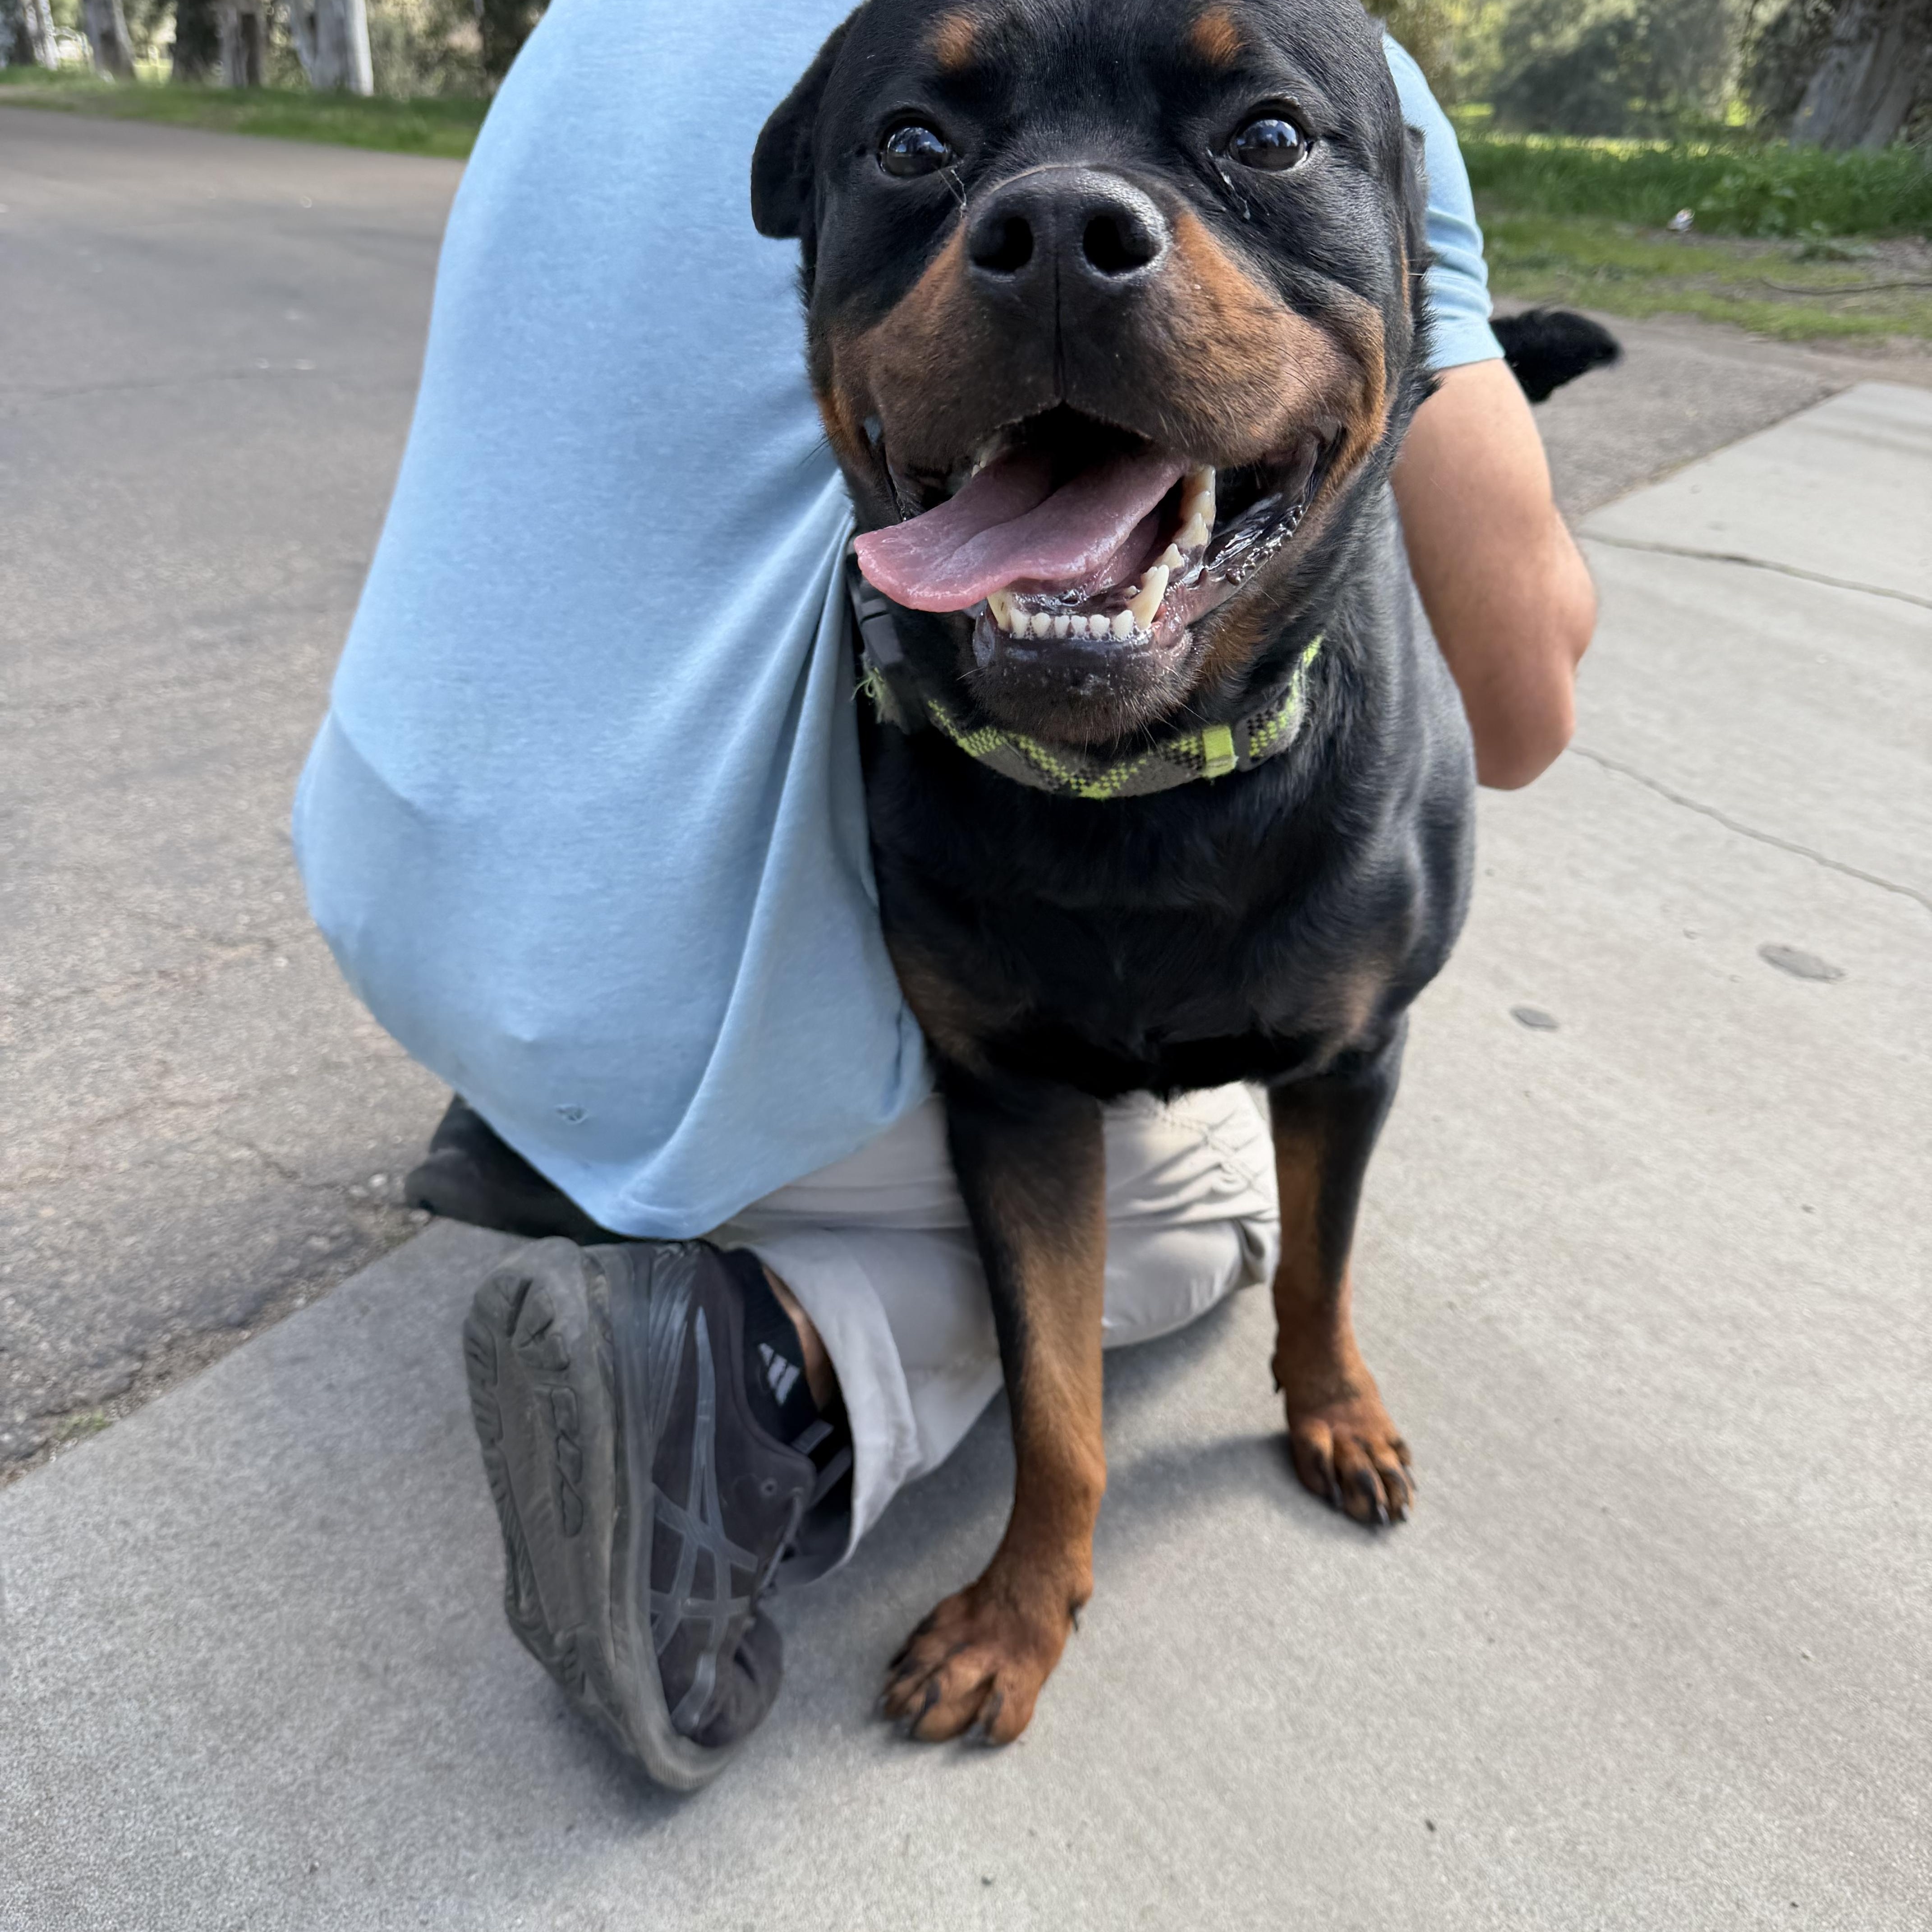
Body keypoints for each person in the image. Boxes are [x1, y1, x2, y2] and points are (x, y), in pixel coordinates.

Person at [294, 0, 1596, 1784]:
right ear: (817, 205)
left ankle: (587, 1123)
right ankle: (759, 1367)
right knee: (1190, 1193)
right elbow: (1526, 713)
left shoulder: (591, 25)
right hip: (764, 931)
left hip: (408, 889)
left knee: (1243, 1077)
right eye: (925, 155)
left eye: (1267, 144)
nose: (1063, 217)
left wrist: (1326, 1366)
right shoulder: (1340, 41)